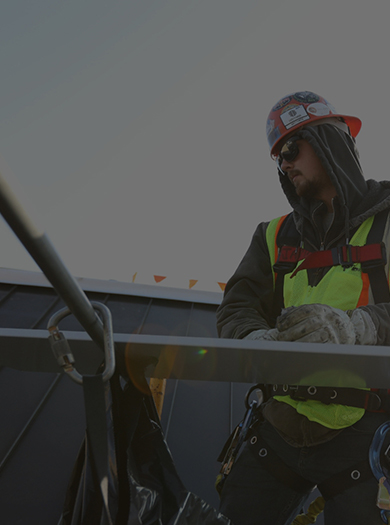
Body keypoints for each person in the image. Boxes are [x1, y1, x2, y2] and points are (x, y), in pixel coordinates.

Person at [216, 91, 390, 525]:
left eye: (291, 149)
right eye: (278, 158)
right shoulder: (272, 236)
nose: (285, 164)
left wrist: (360, 326)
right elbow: (236, 306)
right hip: (276, 429)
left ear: (328, 139)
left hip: (365, 432)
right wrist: (257, 340)